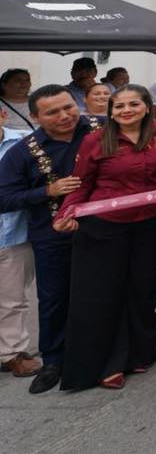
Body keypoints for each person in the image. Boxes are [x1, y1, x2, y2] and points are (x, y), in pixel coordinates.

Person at [53, 84, 156, 390]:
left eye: (134, 104)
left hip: (151, 224)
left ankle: (138, 355)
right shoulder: (95, 140)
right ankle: (108, 364)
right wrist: (66, 213)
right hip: (104, 226)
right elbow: (81, 183)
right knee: (104, 295)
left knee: (144, 290)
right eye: (119, 106)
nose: (126, 110)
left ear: (147, 107)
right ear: (111, 112)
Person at [0, 86, 94, 392]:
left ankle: (102, 355)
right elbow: (4, 198)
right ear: (35, 116)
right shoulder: (23, 151)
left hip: (104, 228)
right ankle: (54, 360)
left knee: (102, 290)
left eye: (69, 107)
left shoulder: (101, 130)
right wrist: (47, 191)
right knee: (54, 298)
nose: (65, 115)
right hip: (51, 234)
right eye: (53, 112)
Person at [0, 103, 40, 378]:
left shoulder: (27, 143)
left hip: (14, 233)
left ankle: (11, 353)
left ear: (3, 115)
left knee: (12, 298)